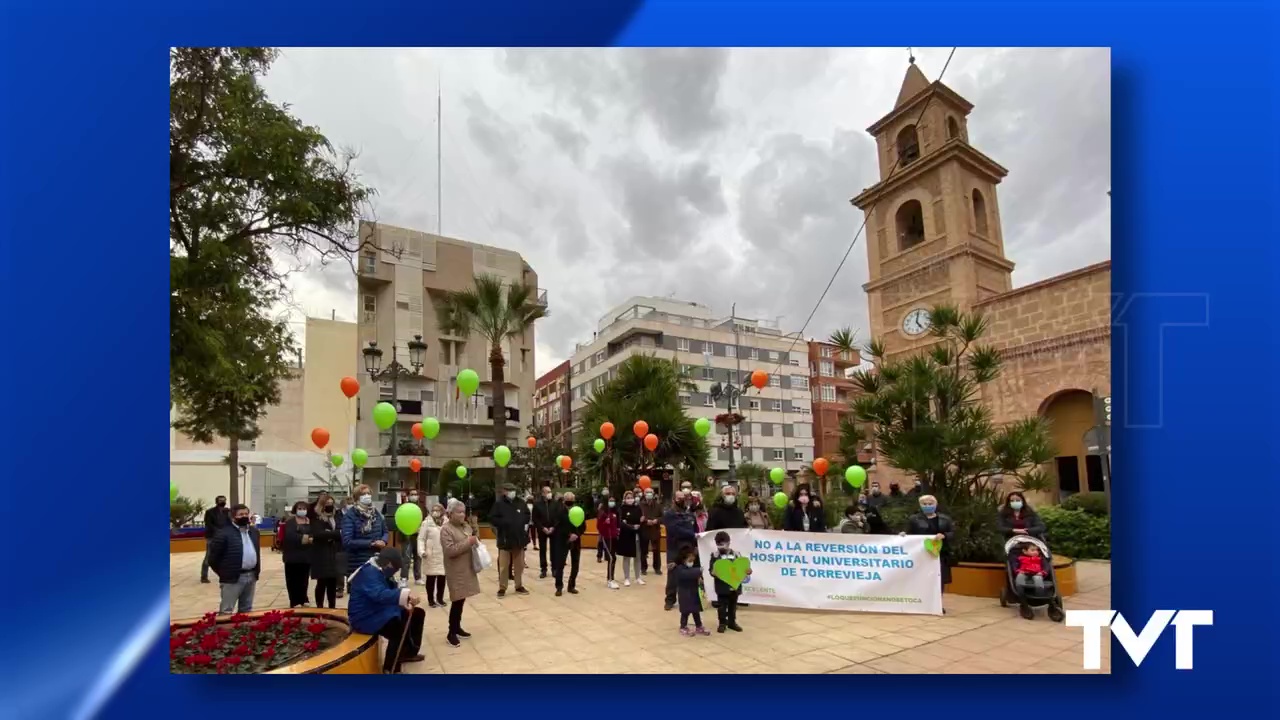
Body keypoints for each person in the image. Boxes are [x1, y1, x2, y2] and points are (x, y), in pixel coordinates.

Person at [346, 547, 424, 674]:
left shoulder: (379, 569)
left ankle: (408, 652)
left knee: (416, 614)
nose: (394, 572)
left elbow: (390, 590)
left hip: (377, 609)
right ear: (389, 564)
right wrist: (405, 596)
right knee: (397, 630)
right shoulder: (368, 573)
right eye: (395, 569)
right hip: (365, 617)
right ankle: (390, 668)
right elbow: (379, 594)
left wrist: (405, 601)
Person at [439, 499, 481, 647]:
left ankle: (457, 627)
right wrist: (468, 542)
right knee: (456, 600)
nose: (462, 515)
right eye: (459, 512)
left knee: (462, 599)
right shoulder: (446, 529)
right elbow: (450, 550)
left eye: (463, 512)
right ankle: (451, 632)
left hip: (467, 568)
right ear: (450, 513)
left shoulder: (465, 526)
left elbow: (474, 538)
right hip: (455, 570)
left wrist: (474, 536)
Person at [903, 494, 956, 611]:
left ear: (935, 505)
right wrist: (903, 535)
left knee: (939, 579)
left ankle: (937, 604)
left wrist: (944, 535)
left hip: (940, 554)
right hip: (921, 554)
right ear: (920, 505)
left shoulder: (945, 519)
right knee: (921, 579)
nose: (928, 506)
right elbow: (908, 533)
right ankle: (920, 603)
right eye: (925, 504)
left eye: (930, 504)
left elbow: (953, 533)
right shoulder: (914, 519)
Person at [206, 504, 260, 615]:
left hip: (251, 576)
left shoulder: (254, 532)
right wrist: (224, 573)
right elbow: (212, 558)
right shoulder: (223, 533)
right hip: (232, 578)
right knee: (226, 610)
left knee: (246, 610)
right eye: (240, 514)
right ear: (233, 517)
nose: (244, 516)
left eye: (246, 514)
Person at [490, 482, 531, 598]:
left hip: (519, 539)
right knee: (503, 566)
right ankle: (502, 587)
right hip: (505, 539)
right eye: (509, 490)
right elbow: (492, 519)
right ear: (504, 491)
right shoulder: (498, 504)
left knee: (520, 565)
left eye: (512, 490)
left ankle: (519, 585)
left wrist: (521, 520)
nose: (511, 492)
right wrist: (505, 522)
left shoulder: (521, 503)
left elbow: (527, 515)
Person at [662, 491, 698, 611]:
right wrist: (692, 534)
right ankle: (670, 600)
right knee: (672, 574)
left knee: (689, 573)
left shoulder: (690, 514)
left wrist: (696, 540)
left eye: (684, 498)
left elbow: (695, 528)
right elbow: (675, 529)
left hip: (688, 548)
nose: (682, 500)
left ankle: (689, 598)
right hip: (674, 547)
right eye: (679, 498)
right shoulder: (669, 514)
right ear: (674, 499)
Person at [341, 484, 388, 576]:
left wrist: (383, 540)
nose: (367, 496)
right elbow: (347, 541)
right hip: (358, 562)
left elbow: (385, 531)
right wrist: (371, 543)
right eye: (363, 494)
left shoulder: (376, 513)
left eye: (368, 493)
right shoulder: (350, 516)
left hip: (376, 559)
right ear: (357, 497)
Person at [708, 531, 749, 632]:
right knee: (722, 606)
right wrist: (714, 572)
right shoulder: (714, 555)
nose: (720, 547)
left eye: (722, 544)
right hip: (722, 586)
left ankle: (732, 622)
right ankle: (722, 623)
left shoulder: (736, 554)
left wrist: (747, 571)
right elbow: (711, 570)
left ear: (728, 542)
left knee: (733, 605)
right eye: (718, 544)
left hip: (734, 586)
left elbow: (742, 568)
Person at [309, 495, 342, 609]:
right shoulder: (316, 518)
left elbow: (341, 531)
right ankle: (320, 606)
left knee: (332, 582)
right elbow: (318, 534)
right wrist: (334, 534)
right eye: (327, 503)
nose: (330, 505)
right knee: (322, 582)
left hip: (334, 553)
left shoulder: (336, 516)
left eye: (331, 503)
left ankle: (332, 607)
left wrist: (330, 534)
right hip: (321, 554)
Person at [671, 545, 710, 636]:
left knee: (696, 611)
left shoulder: (691, 568)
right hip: (685, 594)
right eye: (690, 560)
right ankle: (683, 626)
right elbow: (686, 574)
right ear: (683, 559)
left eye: (693, 560)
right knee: (685, 611)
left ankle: (699, 626)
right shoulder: (679, 569)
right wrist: (699, 571)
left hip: (694, 592)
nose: (691, 562)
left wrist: (699, 578)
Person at [281, 500, 314, 608]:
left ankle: (303, 598)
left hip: (306, 555)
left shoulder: (310, 521)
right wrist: (306, 538)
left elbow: (313, 534)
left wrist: (310, 539)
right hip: (292, 555)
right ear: (295, 510)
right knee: (292, 580)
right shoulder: (290, 522)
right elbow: (290, 536)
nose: (302, 510)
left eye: (304, 508)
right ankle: (294, 600)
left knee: (304, 579)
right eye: (300, 508)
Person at [550, 491, 583, 596]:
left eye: (571, 500)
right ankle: (559, 587)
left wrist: (577, 534)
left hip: (576, 541)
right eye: (568, 500)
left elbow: (583, 525)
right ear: (564, 501)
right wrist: (569, 535)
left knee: (575, 564)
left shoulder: (578, 510)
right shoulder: (559, 511)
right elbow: (557, 526)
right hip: (563, 540)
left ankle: (571, 585)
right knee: (560, 564)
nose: (570, 502)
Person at [417, 504, 447, 607]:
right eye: (433, 510)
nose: (435, 512)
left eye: (438, 510)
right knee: (430, 578)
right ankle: (431, 600)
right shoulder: (426, 523)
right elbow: (421, 538)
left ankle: (440, 598)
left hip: (443, 554)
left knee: (442, 578)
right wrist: (421, 551)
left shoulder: (447, 523)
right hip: (430, 554)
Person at [200, 495, 231, 583]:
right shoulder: (210, 512)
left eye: (224, 500)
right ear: (216, 502)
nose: (223, 502)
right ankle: (204, 576)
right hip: (212, 537)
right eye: (221, 500)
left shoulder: (227, 511)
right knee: (209, 556)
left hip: (225, 536)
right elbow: (209, 524)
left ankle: (226, 574)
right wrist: (218, 531)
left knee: (226, 555)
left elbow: (230, 522)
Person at [616, 490, 643, 587]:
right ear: (624, 499)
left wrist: (639, 524)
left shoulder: (637, 508)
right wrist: (631, 526)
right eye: (628, 498)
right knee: (626, 557)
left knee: (638, 557)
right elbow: (621, 522)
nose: (630, 499)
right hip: (626, 535)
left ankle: (638, 577)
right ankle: (626, 578)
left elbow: (640, 519)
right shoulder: (621, 509)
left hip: (637, 535)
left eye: (631, 497)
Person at [596, 494, 620, 589]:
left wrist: (617, 532)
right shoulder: (603, 513)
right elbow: (599, 527)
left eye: (613, 500)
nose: (612, 502)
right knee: (611, 557)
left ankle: (611, 577)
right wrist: (605, 523)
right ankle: (610, 579)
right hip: (606, 537)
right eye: (610, 500)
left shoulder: (615, 513)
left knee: (613, 558)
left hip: (613, 537)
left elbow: (616, 525)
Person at [639, 487, 663, 576]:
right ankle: (643, 568)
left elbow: (662, 517)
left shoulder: (657, 505)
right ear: (644, 494)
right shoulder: (640, 505)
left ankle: (657, 568)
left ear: (653, 494)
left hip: (655, 530)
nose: (649, 494)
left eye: (650, 492)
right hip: (644, 530)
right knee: (643, 550)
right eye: (647, 492)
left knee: (656, 550)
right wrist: (645, 521)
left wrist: (657, 520)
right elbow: (638, 517)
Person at [532, 484, 555, 579]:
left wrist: (553, 527)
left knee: (554, 550)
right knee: (542, 549)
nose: (550, 494)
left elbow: (558, 516)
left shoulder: (554, 503)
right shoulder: (537, 504)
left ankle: (554, 568)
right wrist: (542, 528)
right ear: (543, 493)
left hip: (553, 530)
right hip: (542, 530)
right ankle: (543, 569)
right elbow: (535, 518)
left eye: (550, 491)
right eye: (548, 492)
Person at [401, 491, 423, 586]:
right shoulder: (404, 507)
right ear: (408, 496)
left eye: (415, 494)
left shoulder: (421, 507)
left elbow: (425, 519)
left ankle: (418, 577)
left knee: (418, 558)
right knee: (406, 558)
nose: (414, 496)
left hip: (418, 536)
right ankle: (404, 578)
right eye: (412, 494)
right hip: (407, 536)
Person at [596, 487, 612, 563]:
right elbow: (598, 513)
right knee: (600, 541)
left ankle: (607, 555)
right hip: (602, 523)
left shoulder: (610, 502)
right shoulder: (599, 502)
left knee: (608, 540)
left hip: (609, 524)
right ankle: (599, 555)